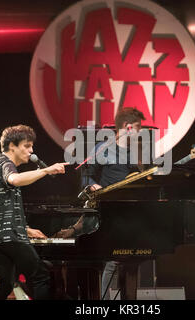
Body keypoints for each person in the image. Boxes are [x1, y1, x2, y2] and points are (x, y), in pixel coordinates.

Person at [0, 124, 68, 300]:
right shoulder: (5, 164)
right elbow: (15, 180)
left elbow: (2, 206)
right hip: (6, 236)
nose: (31, 151)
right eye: (27, 146)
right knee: (41, 274)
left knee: (6, 285)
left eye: (31, 146)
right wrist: (46, 170)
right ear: (12, 146)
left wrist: (26, 229)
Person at [81, 107, 146, 300]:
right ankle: (103, 302)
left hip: (131, 211)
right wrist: (93, 186)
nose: (140, 132)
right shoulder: (102, 148)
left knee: (134, 259)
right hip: (109, 211)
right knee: (112, 260)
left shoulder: (136, 151)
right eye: (138, 127)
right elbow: (86, 177)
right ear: (127, 127)